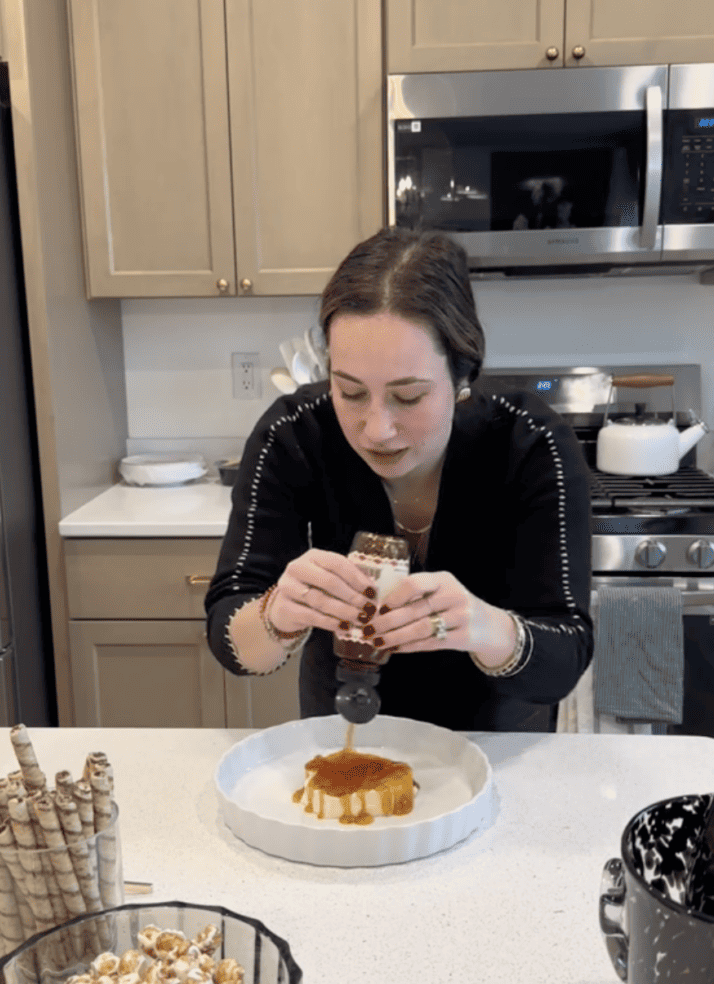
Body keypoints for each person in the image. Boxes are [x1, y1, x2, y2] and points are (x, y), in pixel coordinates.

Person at [205, 227, 593, 732]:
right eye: (350, 392)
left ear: (462, 378)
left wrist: (483, 626)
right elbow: (231, 640)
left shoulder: (530, 442)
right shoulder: (293, 434)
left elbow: (563, 657)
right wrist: (277, 614)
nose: (377, 429)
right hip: (345, 734)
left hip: (494, 746)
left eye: (408, 397)